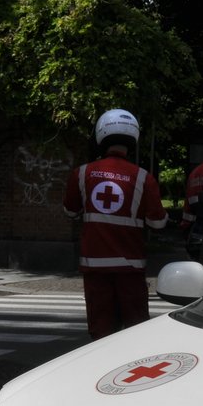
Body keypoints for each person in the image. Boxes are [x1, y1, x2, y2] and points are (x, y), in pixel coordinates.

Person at [63, 109, 169, 338]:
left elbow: (70, 211)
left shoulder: (81, 174)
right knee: (135, 330)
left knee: (100, 331)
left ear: (101, 135)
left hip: (95, 267)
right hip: (130, 268)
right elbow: (158, 222)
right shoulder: (143, 177)